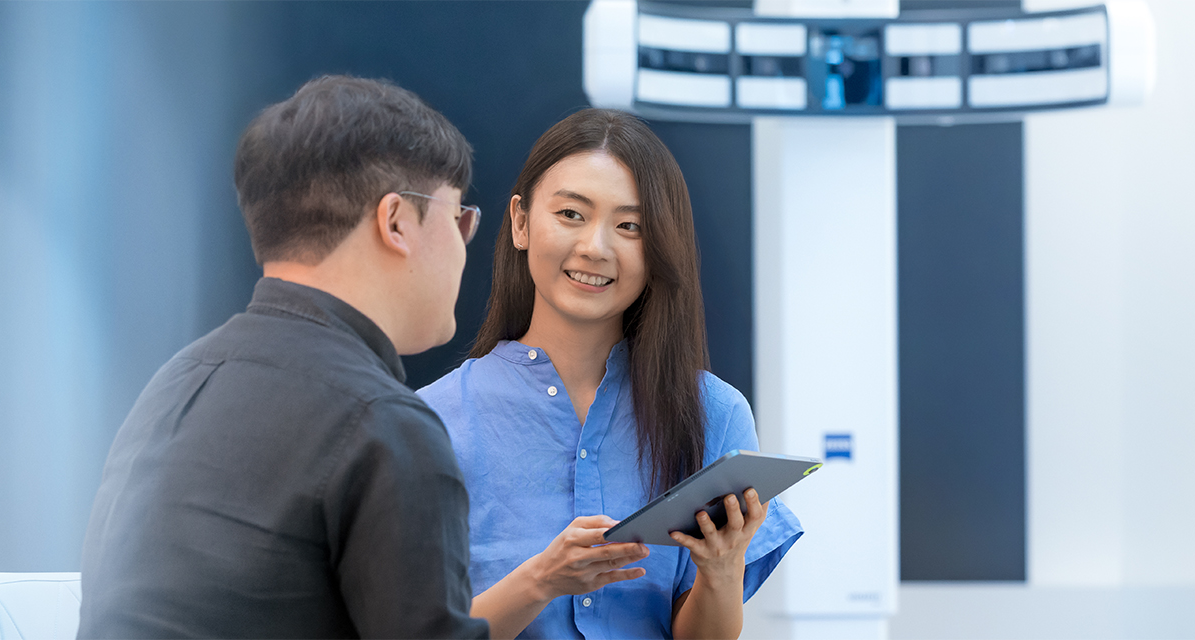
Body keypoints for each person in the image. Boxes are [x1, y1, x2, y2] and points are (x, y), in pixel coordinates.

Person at [79, 75, 517, 639]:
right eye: (459, 218)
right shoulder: (383, 423)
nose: (462, 248)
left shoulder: (173, 383)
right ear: (397, 222)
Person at [419, 109, 804, 640]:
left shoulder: (715, 414)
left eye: (630, 226)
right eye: (572, 214)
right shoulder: (432, 421)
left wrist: (719, 570)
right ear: (521, 222)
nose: (596, 248)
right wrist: (542, 581)